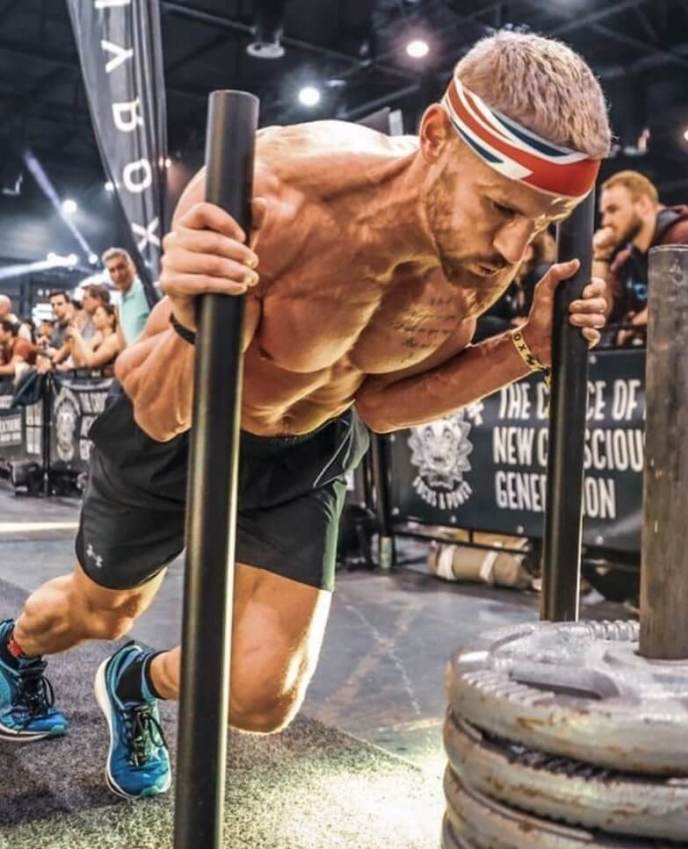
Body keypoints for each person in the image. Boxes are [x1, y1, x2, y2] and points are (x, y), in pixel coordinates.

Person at [0, 31, 611, 801]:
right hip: (179, 430)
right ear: (432, 137)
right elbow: (154, 402)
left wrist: (524, 348)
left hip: (310, 448)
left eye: (546, 218)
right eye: (500, 206)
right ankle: (16, 649)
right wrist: (192, 319)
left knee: (262, 697)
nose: (512, 246)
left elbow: (381, 405)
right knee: (97, 612)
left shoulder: (485, 253)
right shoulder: (270, 192)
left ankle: (136, 683)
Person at [592, 169, 688, 344]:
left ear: (643, 205)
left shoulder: (685, 234)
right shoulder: (626, 259)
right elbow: (599, 312)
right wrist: (600, 256)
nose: (605, 222)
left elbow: (673, 306)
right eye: (603, 213)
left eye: (613, 210)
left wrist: (632, 325)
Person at [53, 303, 124, 373]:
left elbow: (92, 361)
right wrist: (73, 340)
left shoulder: (114, 339)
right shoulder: (99, 338)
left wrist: (77, 335)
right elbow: (81, 363)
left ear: (110, 318)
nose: (93, 318)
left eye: (98, 315)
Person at [103, 248, 151, 346]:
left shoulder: (146, 292)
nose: (117, 274)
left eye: (121, 267)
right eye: (112, 270)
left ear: (132, 266)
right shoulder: (119, 302)